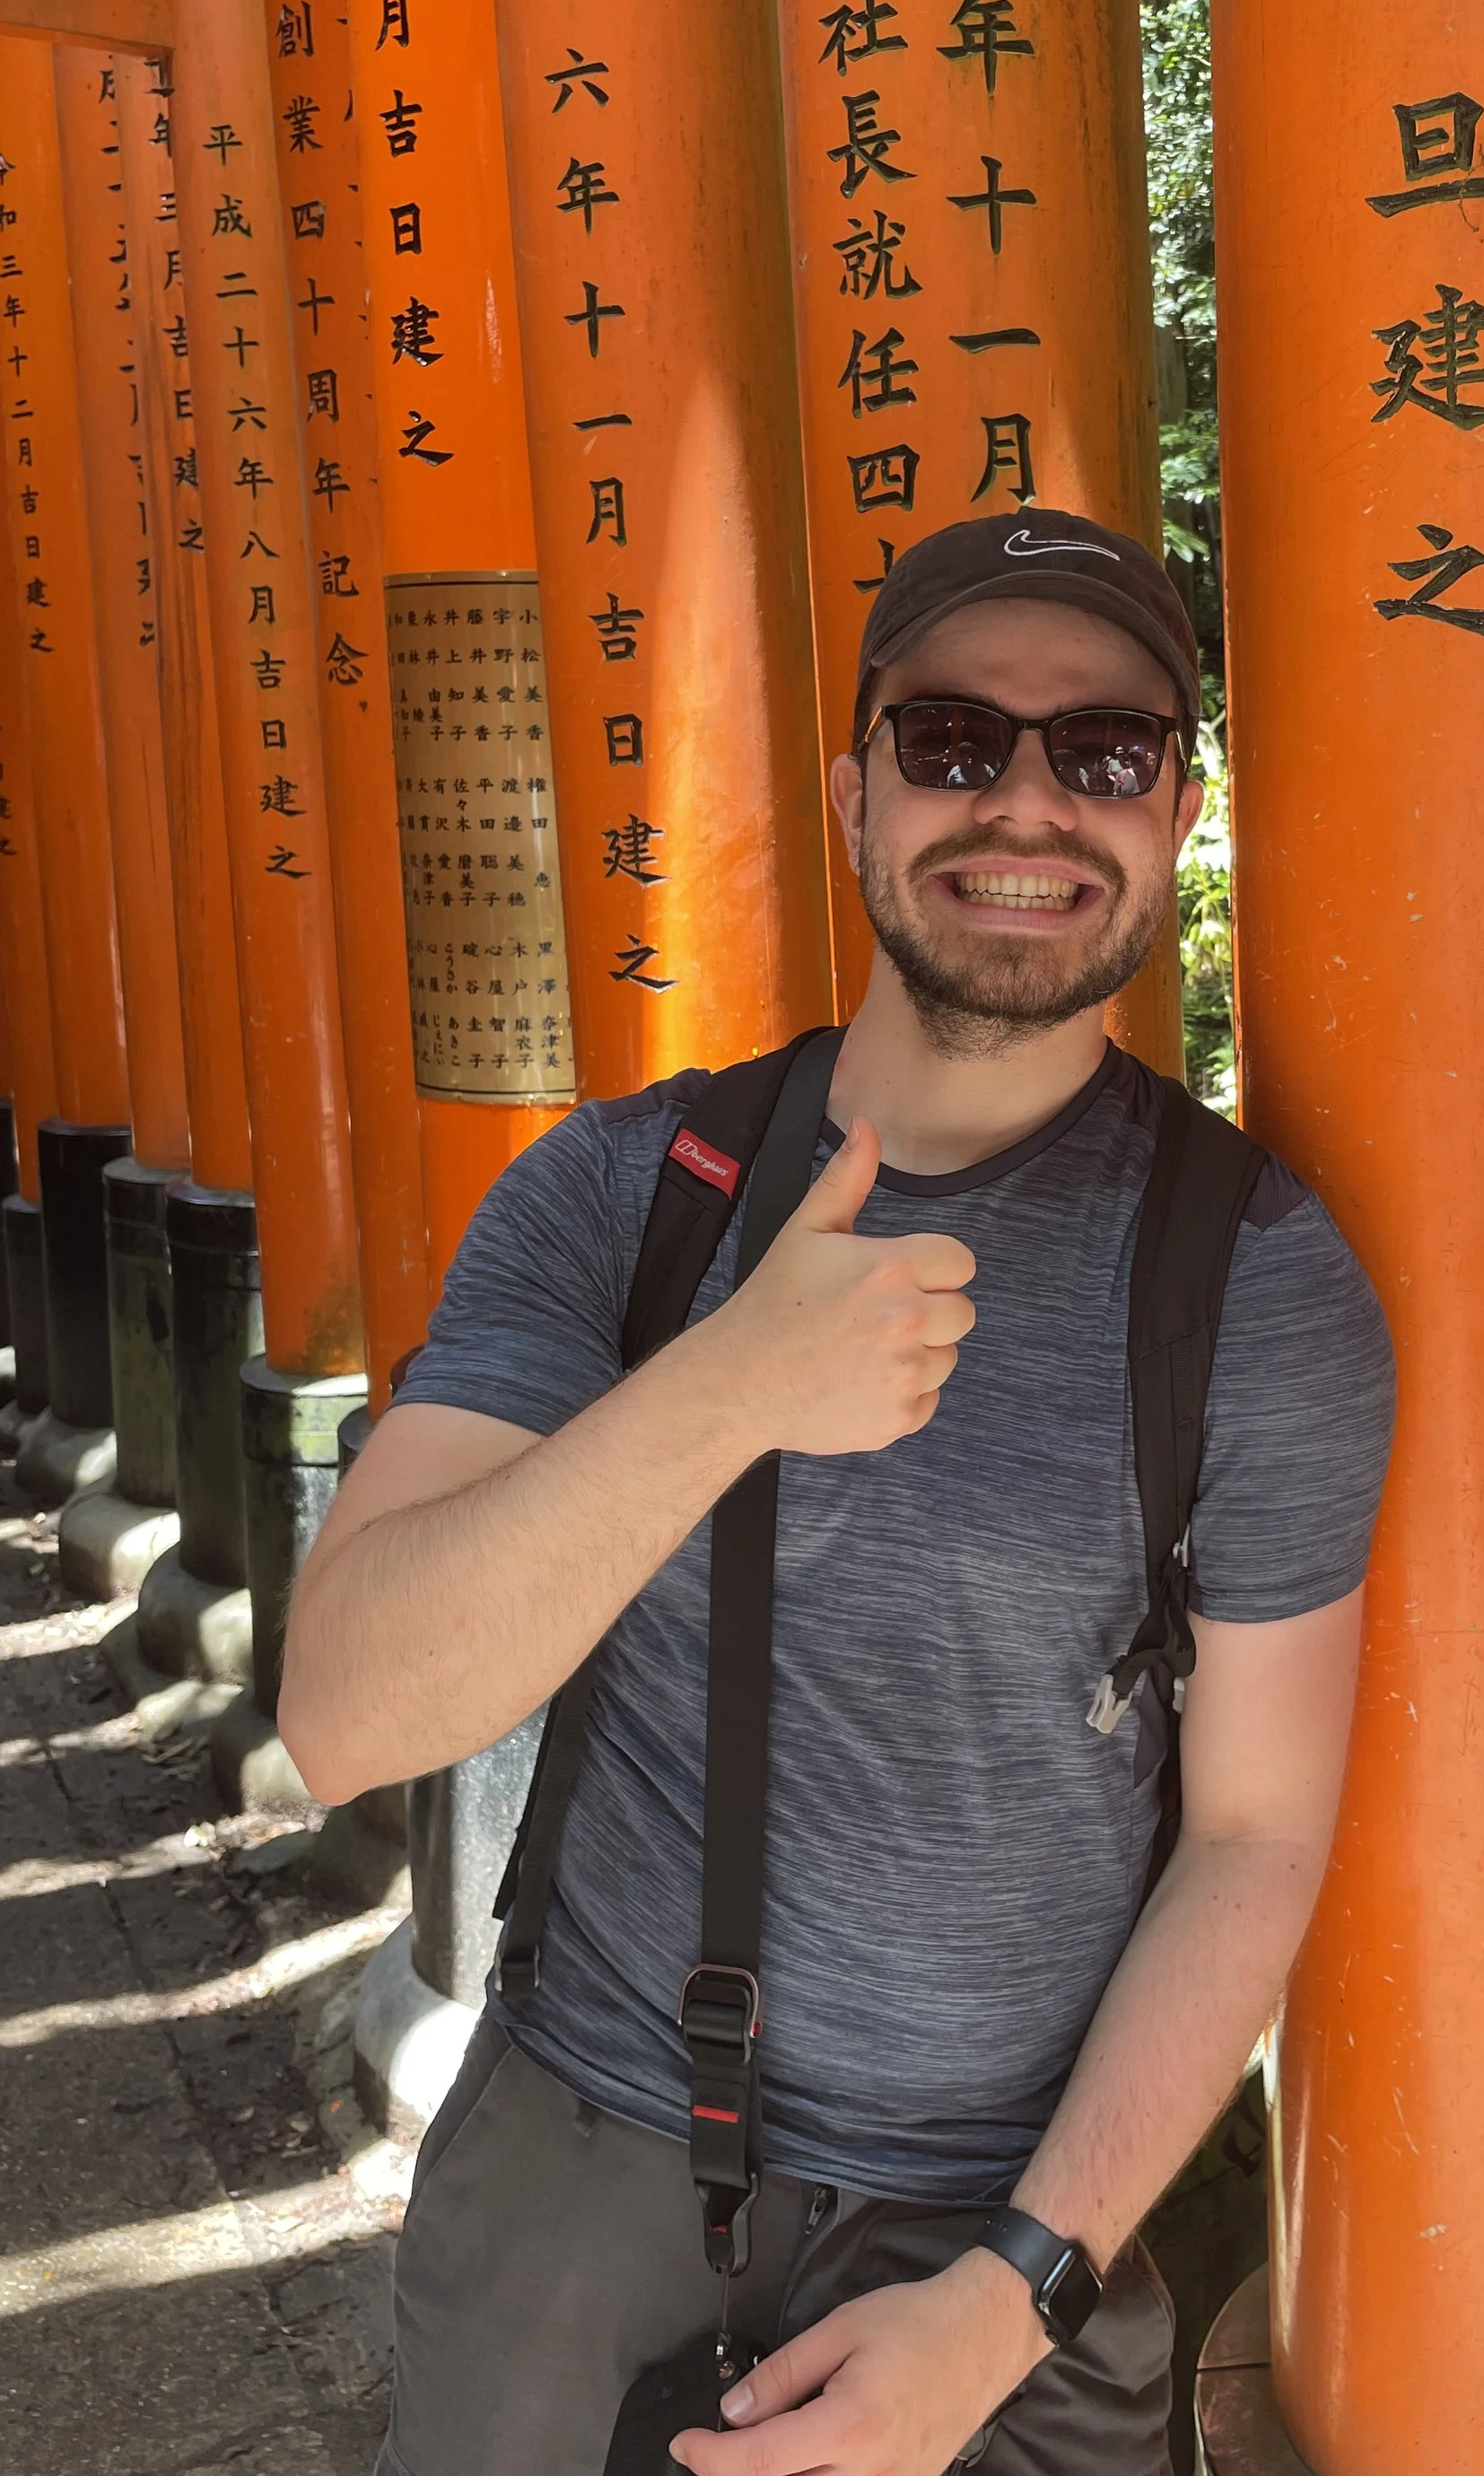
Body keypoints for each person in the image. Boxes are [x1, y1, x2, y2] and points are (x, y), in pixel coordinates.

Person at [282, 508, 1395, 2476]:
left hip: (1002, 2247)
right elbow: (353, 1711)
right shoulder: (632, 1194)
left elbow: (1254, 1833)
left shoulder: (1253, 1278)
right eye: (953, 742)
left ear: (1177, 806)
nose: (1028, 802)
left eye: (1104, 751)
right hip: (587, 2169)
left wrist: (1012, 2291)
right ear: (853, 794)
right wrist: (724, 1386)